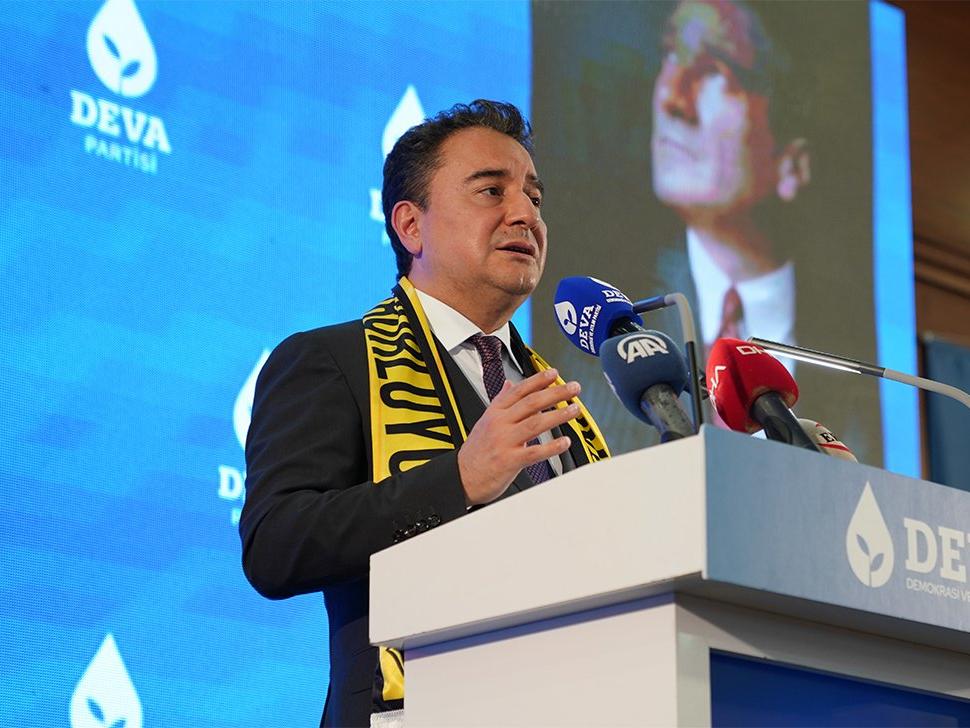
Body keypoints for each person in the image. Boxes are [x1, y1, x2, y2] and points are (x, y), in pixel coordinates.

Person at [239, 100, 609, 727]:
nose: (525, 213)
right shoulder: (331, 361)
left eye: (534, 197)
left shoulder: (550, 394)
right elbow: (276, 546)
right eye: (491, 191)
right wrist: (459, 478)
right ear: (411, 227)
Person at [650, 0, 810, 361]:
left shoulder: (848, 334)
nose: (670, 97)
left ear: (792, 165)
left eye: (712, 71)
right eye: (669, 55)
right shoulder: (612, 327)